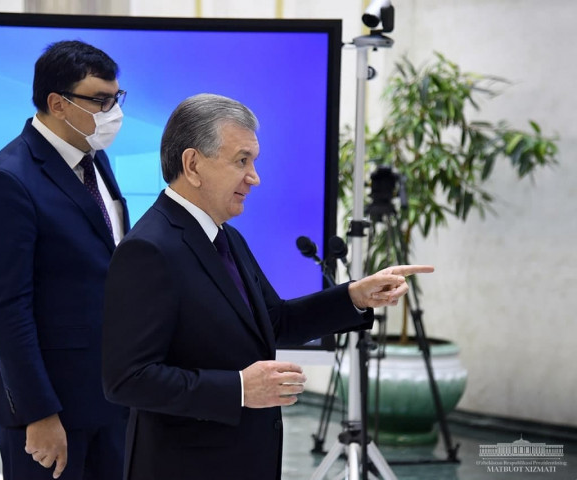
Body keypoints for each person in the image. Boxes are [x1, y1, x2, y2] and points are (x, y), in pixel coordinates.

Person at [101, 93, 434, 480]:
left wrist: (354, 296)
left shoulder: (227, 237)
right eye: (242, 161)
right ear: (192, 165)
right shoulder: (148, 249)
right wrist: (240, 389)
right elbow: (128, 380)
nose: (254, 177)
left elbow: (274, 321)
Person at [0, 40, 129, 480]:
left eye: (117, 97)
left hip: (110, 398)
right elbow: (6, 308)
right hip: (49, 409)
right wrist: (38, 413)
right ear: (58, 103)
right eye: (100, 100)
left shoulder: (94, 158)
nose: (113, 111)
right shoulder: (7, 180)